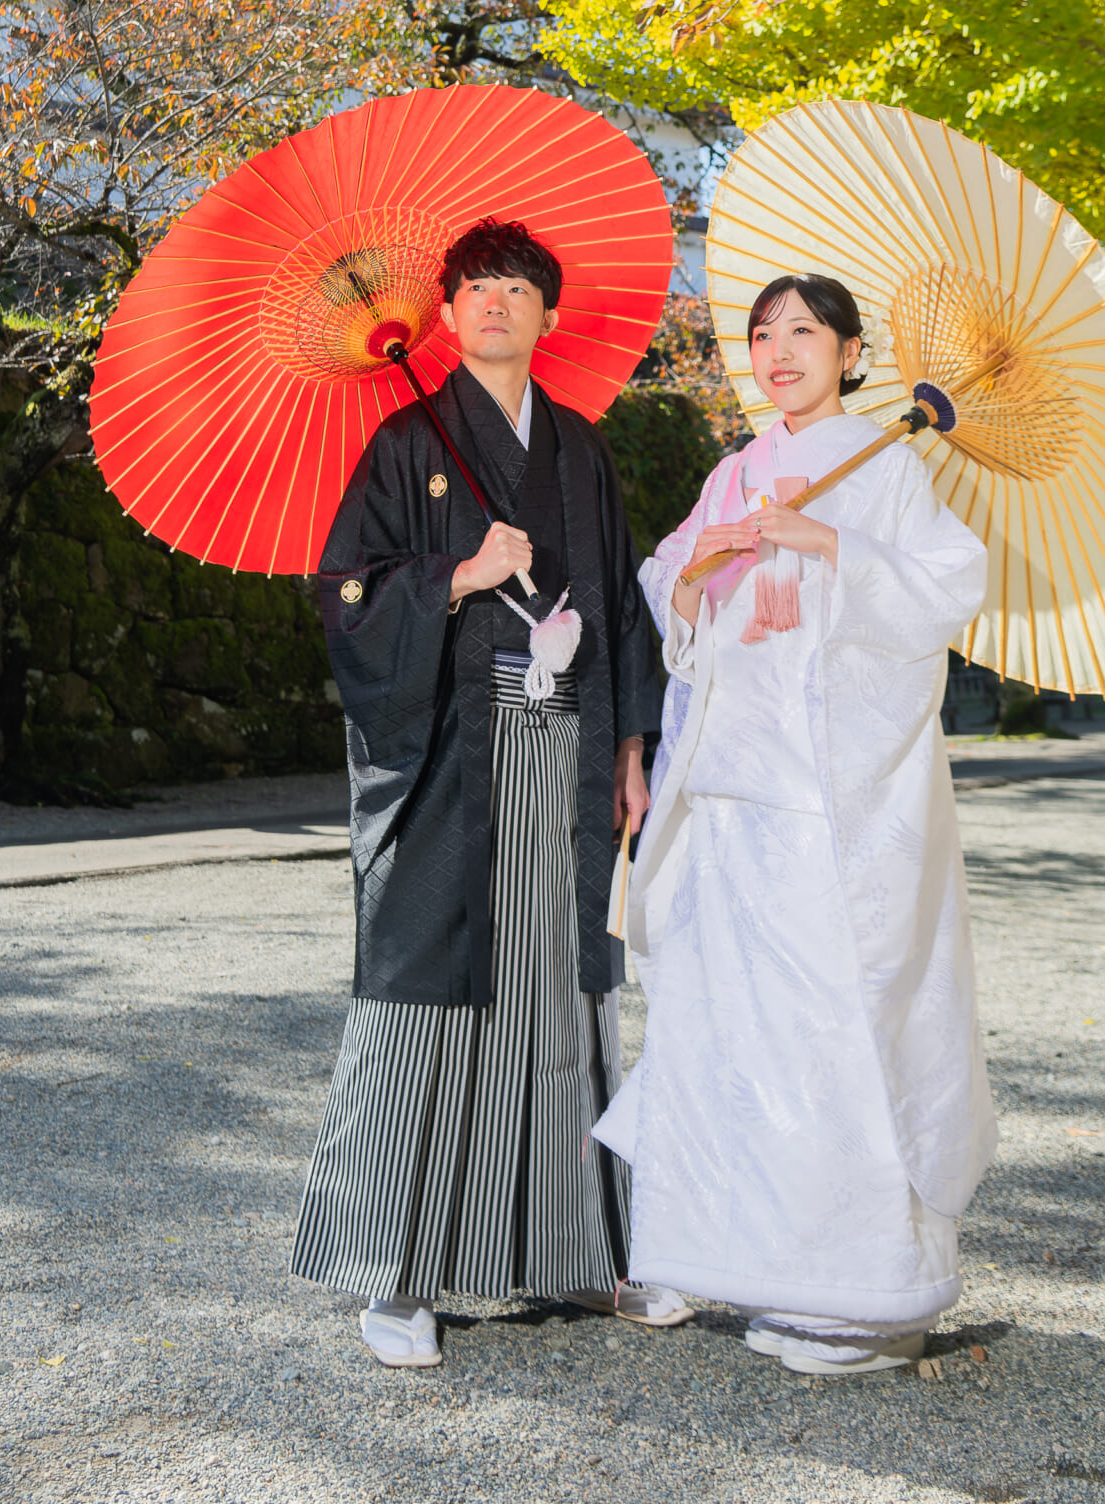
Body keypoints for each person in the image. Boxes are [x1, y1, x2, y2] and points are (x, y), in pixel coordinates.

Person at [291, 216, 688, 1367]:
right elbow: (345, 592)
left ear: (547, 315)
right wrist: (457, 574)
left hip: (568, 746)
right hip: (452, 753)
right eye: (475, 287)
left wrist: (630, 748)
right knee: (431, 994)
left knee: (563, 994)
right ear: (449, 313)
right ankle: (398, 1272)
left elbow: (620, 610)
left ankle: (580, 1248)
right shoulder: (406, 440)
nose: (496, 302)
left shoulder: (580, 450)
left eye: (517, 286)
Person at [595, 272, 994, 1377]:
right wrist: (696, 578)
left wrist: (830, 545)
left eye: (805, 332)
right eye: (763, 333)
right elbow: (671, 586)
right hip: (732, 786)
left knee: (837, 1025)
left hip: (831, 795)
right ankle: (746, 1264)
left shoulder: (889, 463)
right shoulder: (732, 471)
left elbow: (947, 587)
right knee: (734, 1027)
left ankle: (865, 1296)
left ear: (852, 355)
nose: (779, 350)